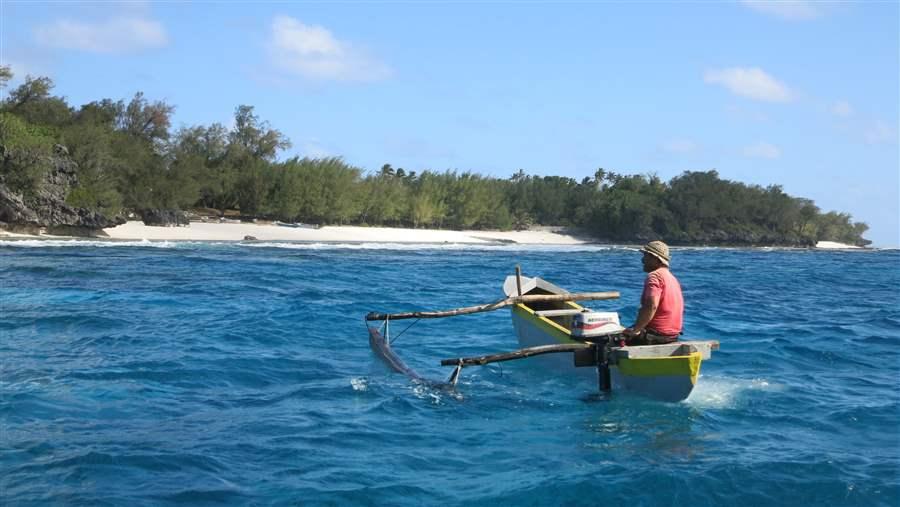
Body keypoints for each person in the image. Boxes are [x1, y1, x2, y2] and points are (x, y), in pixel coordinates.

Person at [623, 240, 683, 345]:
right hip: (672, 336)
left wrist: (636, 330)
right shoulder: (673, 278)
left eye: (645, 256)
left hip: (656, 336)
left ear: (655, 259)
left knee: (608, 340)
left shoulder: (654, 276)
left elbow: (652, 305)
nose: (642, 260)